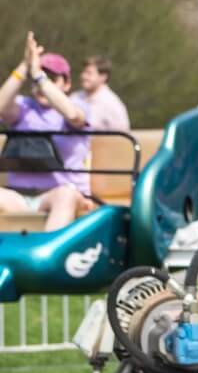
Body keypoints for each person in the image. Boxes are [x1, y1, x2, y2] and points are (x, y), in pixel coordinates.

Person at [0, 33, 93, 231]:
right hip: (18, 195)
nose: (41, 85)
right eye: (37, 78)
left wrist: (40, 77)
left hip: (58, 193)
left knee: (66, 196)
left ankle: (46, 257)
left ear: (66, 84)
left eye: (52, 78)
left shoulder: (78, 104)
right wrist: (24, 67)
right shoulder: (23, 107)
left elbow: (73, 115)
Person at [73, 54, 130, 134]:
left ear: (103, 77)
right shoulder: (74, 97)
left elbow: (122, 137)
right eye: (83, 72)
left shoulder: (112, 104)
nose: (83, 76)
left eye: (89, 73)